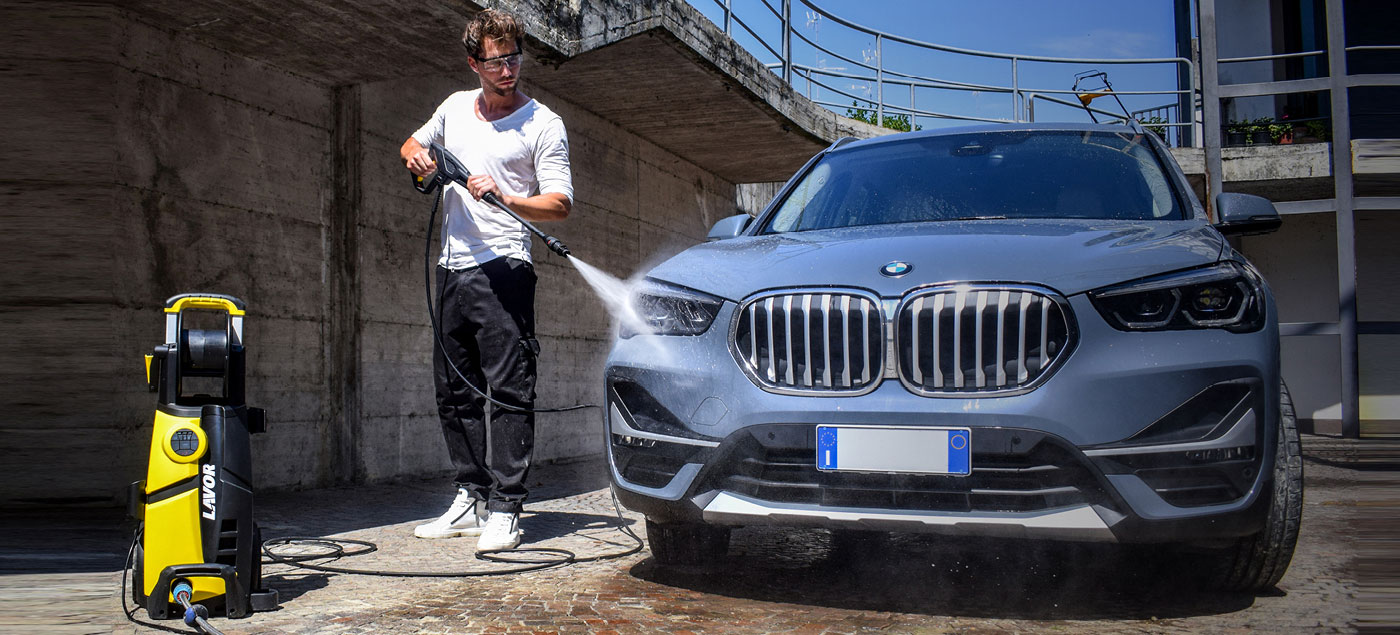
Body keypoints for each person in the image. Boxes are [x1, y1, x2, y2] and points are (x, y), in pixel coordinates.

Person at [399, 9, 572, 551]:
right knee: (454, 392)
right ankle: (471, 498)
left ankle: (507, 508)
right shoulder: (453, 107)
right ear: (474, 63)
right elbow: (410, 146)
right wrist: (419, 159)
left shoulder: (543, 123)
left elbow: (559, 204)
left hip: (505, 267)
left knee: (510, 391)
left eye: (515, 58)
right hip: (452, 267)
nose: (508, 69)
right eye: (496, 61)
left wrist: (507, 196)